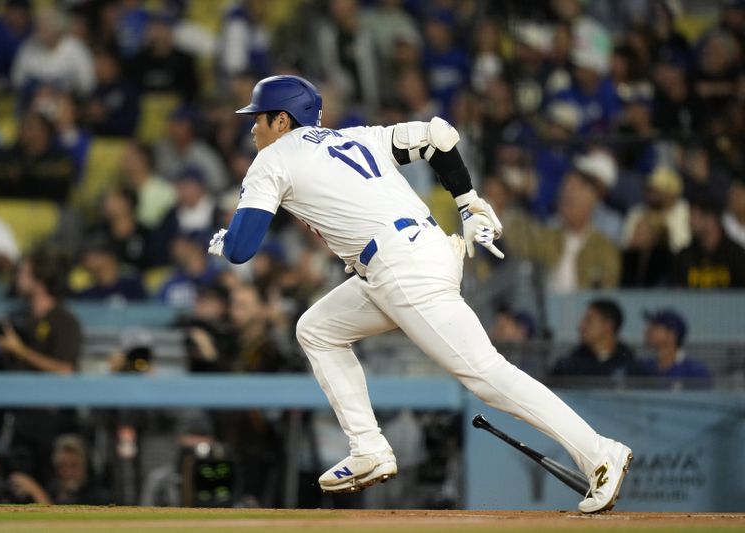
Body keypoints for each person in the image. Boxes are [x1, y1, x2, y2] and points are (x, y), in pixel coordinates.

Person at [207, 75, 632, 513]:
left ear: (282, 120)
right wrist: (467, 201)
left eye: (257, 118)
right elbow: (438, 136)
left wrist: (226, 238)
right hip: (415, 254)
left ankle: (600, 453)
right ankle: (368, 448)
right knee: (317, 329)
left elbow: (242, 250)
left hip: (401, 269)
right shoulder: (356, 137)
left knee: (486, 374)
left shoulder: (274, 157)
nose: (252, 128)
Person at [9, 433, 112, 505]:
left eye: (74, 465)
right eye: (62, 465)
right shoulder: (52, 490)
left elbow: (60, 525)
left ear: (87, 466)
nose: (68, 471)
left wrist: (35, 490)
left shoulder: (100, 499)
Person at [551, 299, 643, 379]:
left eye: (588, 321)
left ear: (608, 326)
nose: (581, 326)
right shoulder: (568, 366)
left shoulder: (631, 367)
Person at [641, 309, 712, 387]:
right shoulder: (642, 368)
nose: (648, 331)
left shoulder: (695, 372)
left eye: (655, 327)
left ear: (672, 335)